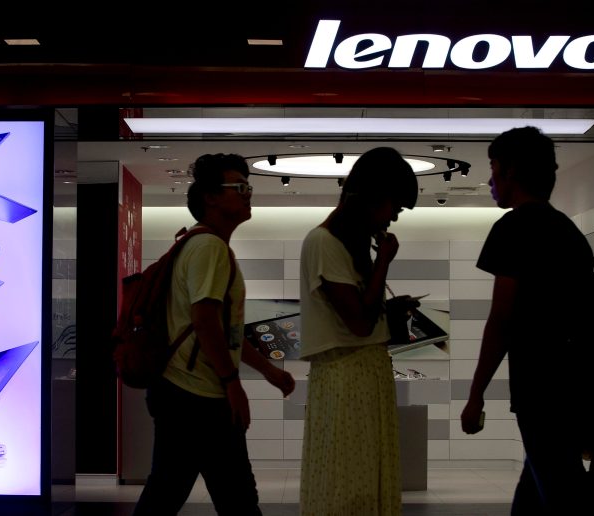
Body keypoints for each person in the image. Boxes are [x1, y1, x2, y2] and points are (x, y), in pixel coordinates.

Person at [133, 153, 295, 516]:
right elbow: (204, 320)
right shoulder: (210, 247)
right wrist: (232, 384)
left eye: (248, 187)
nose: (247, 193)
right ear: (210, 196)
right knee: (235, 498)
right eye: (238, 187)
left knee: (171, 491)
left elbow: (224, 331)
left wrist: (268, 371)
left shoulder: (200, 244)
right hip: (198, 397)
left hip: (185, 394)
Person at [460, 126, 594, 515]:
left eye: (493, 168)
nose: (489, 180)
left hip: (541, 387)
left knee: (559, 491)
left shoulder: (514, 228)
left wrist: (475, 397)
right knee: (538, 489)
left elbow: (501, 320)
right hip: (578, 385)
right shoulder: (567, 230)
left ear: (511, 172)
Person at [299, 147, 419, 515]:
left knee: (366, 476)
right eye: (394, 207)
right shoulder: (324, 243)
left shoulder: (346, 245)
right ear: (371, 199)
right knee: (348, 481)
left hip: (363, 373)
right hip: (346, 374)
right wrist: (383, 263)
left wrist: (388, 308)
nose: (393, 218)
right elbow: (359, 322)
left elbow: (365, 316)